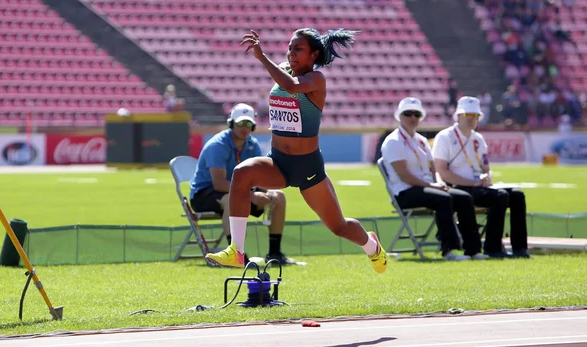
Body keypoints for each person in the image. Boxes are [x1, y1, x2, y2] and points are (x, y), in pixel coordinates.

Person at [206, 28, 388, 272]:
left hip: (307, 167)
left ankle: (372, 246)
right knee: (241, 173)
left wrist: (261, 57)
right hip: (278, 162)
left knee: (339, 227)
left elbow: (291, 86)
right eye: (290, 47)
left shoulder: (316, 80)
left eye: (298, 49)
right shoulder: (283, 70)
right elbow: (285, 82)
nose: (291, 53)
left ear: (313, 55)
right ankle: (236, 251)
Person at [381, 97, 487, 261]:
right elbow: (405, 176)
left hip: (426, 187)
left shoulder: (421, 141)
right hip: (404, 192)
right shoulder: (393, 141)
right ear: (400, 116)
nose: (412, 117)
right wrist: (433, 186)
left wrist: (439, 184)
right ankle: (449, 250)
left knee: (465, 198)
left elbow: (432, 168)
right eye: (408, 113)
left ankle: (473, 250)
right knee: (443, 199)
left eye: (416, 114)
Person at [189, 103, 295, 265]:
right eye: (240, 123)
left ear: (252, 126)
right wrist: (251, 195)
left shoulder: (253, 146)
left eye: (248, 124)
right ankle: (237, 255)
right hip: (205, 194)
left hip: (241, 193)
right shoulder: (217, 146)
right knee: (233, 199)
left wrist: (265, 194)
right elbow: (218, 184)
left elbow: (260, 177)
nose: (244, 127)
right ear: (231, 123)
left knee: (278, 196)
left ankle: (275, 254)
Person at [432, 96, 530, 258]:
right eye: (467, 115)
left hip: (479, 186)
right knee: (501, 196)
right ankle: (493, 247)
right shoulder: (445, 137)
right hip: (457, 187)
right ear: (458, 116)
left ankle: (520, 248)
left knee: (517, 195)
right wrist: (472, 183)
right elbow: (442, 171)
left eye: (475, 115)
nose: (472, 119)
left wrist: (487, 177)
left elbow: (486, 167)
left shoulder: (478, 139)